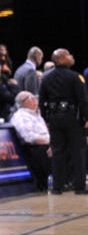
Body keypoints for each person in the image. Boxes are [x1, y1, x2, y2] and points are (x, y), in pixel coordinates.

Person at [39, 49, 88, 194]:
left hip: (54, 118)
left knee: (57, 153)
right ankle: (79, 186)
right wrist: (86, 118)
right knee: (78, 152)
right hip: (72, 118)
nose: (72, 56)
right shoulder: (75, 77)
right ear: (60, 59)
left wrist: (46, 119)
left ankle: (57, 187)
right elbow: (83, 101)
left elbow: (42, 101)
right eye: (68, 54)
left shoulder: (46, 78)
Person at [10, 92, 51, 192]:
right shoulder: (21, 116)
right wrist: (51, 143)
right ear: (23, 102)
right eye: (31, 98)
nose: (35, 100)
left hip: (46, 145)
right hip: (34, 149)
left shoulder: (37, 115)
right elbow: (30, 138)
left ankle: (70, 181)